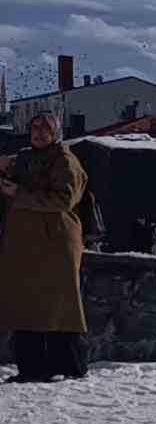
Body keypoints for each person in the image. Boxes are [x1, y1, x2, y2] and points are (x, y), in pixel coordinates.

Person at [0, 111, 91, 383]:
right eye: (35, 128)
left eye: (45, 128)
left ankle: (71, 366)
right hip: (27, 245)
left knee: (59, 307)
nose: (39, 133)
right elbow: (19, 166)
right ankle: (33, 368)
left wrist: (18, 194)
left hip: (55, 243)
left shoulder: (65, 160)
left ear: (55, 132)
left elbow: (63, 199)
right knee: (28, 305)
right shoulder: (27, 158)